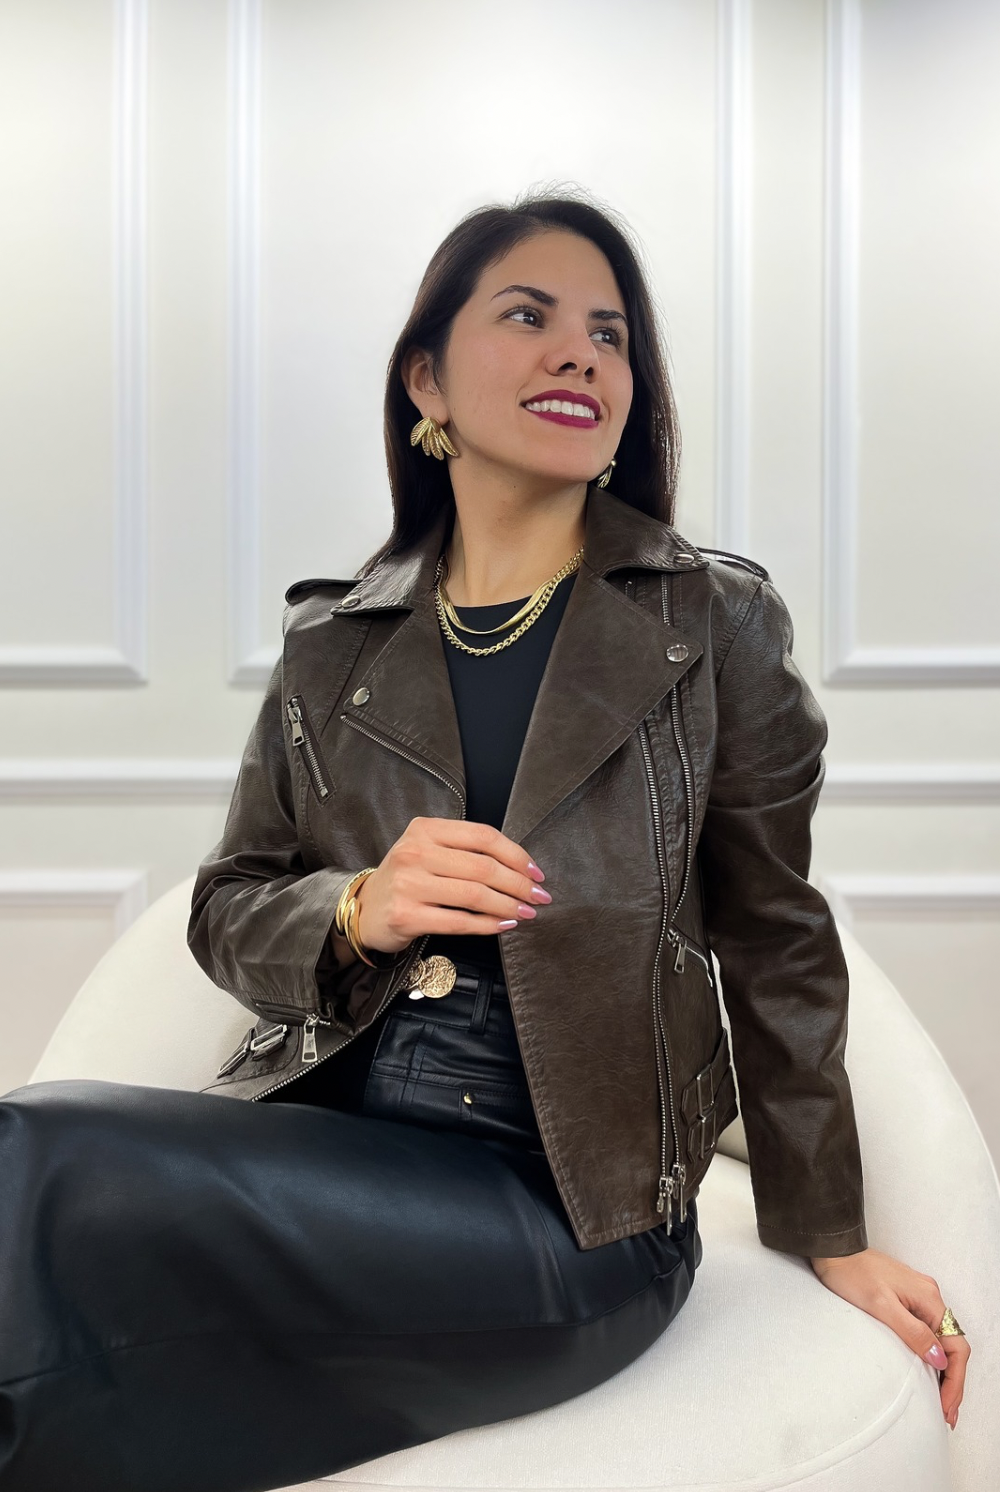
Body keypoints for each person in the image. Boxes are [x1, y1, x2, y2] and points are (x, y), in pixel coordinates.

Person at [0, 189, 968, 1490]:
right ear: (427, 381)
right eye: (528, 316)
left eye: (610, 334)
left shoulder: (708, 622)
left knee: (34, 1164)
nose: (581, 354)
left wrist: (828, 1228)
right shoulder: (332, 643)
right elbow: (229, 905)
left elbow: (776, 934)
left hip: (571, 1209)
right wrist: (358, 908)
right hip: (332, 1135)